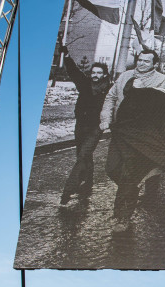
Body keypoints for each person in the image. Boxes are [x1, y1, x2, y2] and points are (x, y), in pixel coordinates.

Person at [100, 48, 165, 232]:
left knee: (129, 174)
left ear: (155, 64)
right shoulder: (125, 76)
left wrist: (140, 91)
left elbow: (159, 106)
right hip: (120, 130)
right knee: (112, 168)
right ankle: (132, 190)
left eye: (147, 61)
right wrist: (106, 119)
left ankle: (122, 217)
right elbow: (111, 97)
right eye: (140, 60)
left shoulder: (161, 80)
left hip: (140, 135)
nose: (141, 64)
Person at [59, 45, 111, 205]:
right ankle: (88, 183)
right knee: (83, 155)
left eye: (98, 73)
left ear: (104, 74)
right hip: (81, 125)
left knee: (83, 155)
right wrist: (66, 56)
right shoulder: (85, 84)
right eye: (93, 72)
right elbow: (74, 72)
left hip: (95, 128)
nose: (95, 75)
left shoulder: (109, 89)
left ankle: (68, 190)